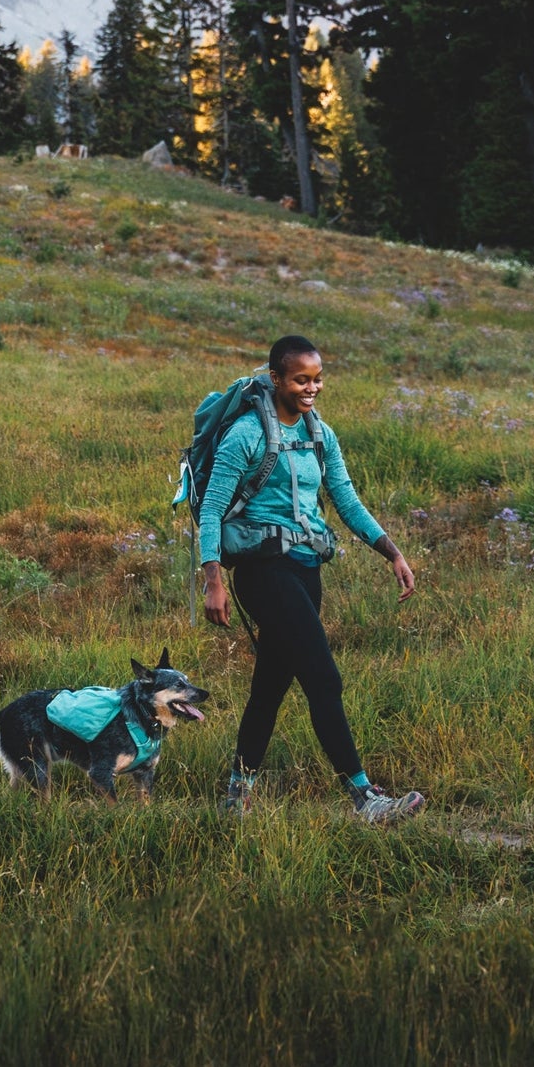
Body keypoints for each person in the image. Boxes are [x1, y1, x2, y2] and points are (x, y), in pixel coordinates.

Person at [200, 335, 424, 821]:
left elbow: (346, 499)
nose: (311, 388)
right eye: (300, 379)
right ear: (276, 378)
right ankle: (364, 798)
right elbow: (212, 509)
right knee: (324, 678)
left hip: (306, 571)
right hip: (263, 573)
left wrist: (392, 553)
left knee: (269, 688)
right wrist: (212, 581)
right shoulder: (245, 434)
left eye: (317, 378)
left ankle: (236, 796)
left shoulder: (321, 433)